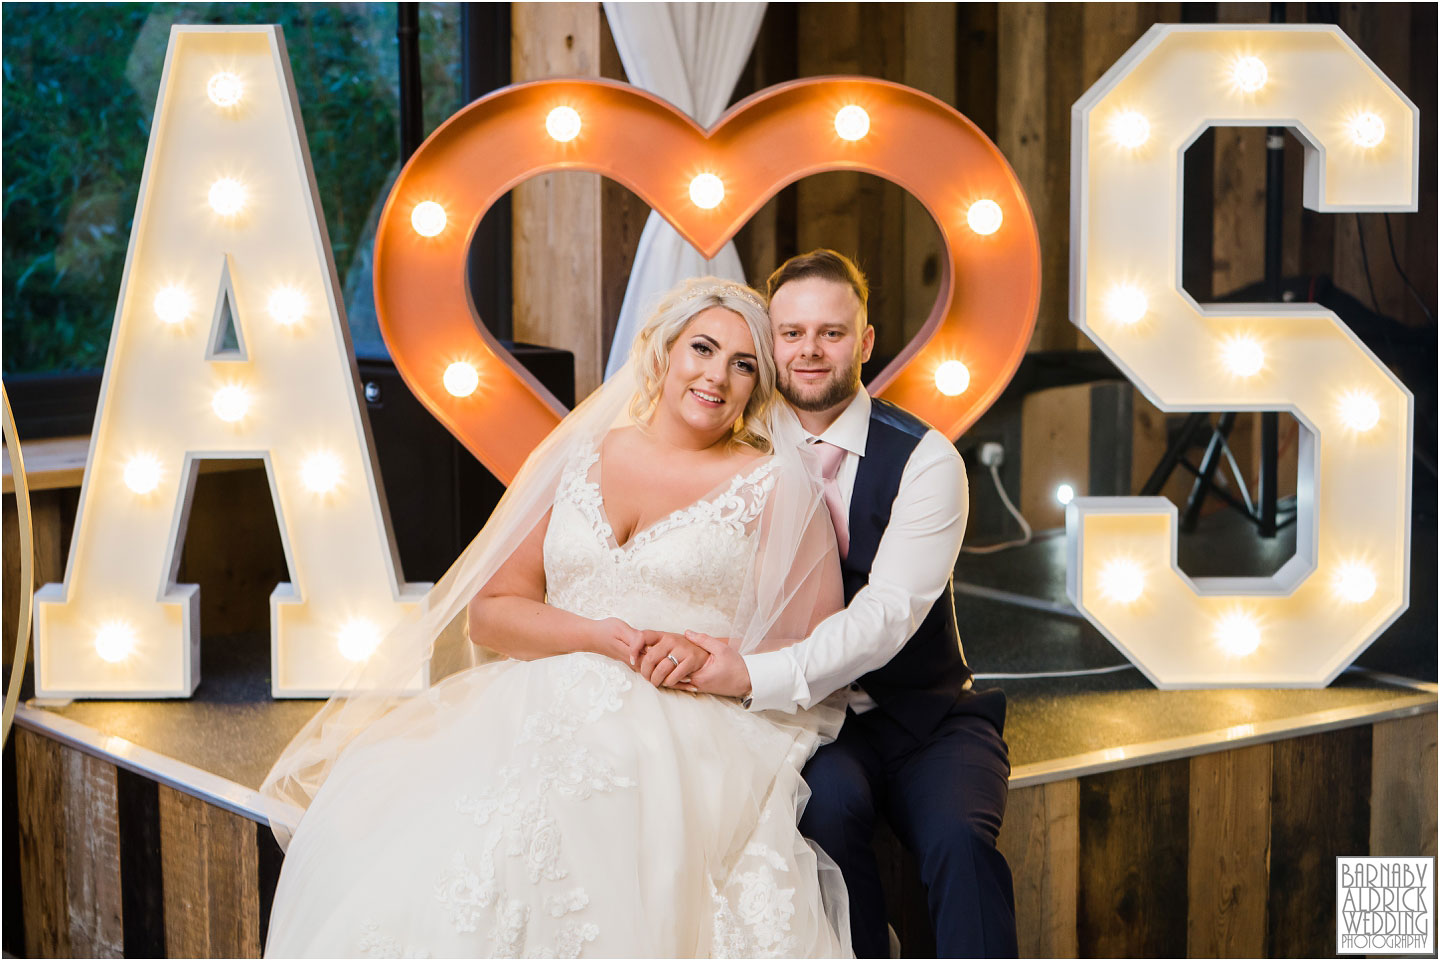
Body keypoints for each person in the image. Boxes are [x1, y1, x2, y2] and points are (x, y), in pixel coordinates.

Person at [260, 278, 854, 958]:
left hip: (688, 716)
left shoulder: (774, 482)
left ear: (759, 385)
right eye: (703, 348)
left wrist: (713, 661)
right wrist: (595, 635)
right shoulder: (579, 456)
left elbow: (821, 650)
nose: (718, 374)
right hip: (537, 696)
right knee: (453, 841)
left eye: (744, 364)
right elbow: (492, 613)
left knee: (593, 793)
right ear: (662, 351)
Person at [661, 251, 1018, 958]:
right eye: (791, 333)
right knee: (823, 813)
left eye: (831, 332)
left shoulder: (926, 459)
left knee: (960, 839)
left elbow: (887, 615)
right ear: (771, 341)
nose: (809, 351)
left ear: (865, 341)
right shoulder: (737, 447)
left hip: (929, 715)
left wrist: (751, 675)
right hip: (806, 724)